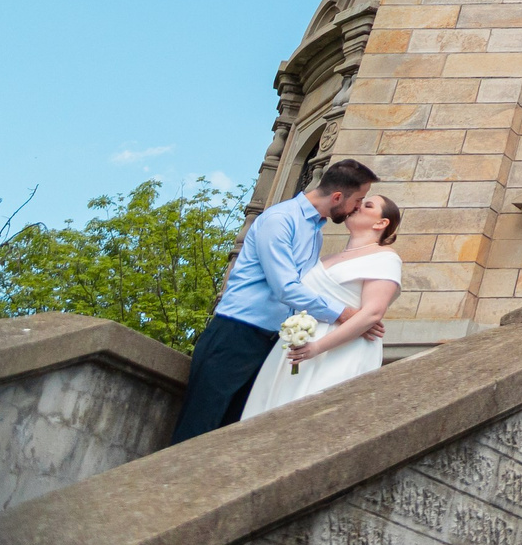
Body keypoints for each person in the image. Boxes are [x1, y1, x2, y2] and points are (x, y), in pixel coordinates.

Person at [169, 160, 383, 442]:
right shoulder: (280, 220)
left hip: (270, 345)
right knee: (198, 429)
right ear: (337, 197)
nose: (358, 207)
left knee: (230, 436)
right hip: (235, 335)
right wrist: (344, 314)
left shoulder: (315, 233)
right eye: (358, 200)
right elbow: (286, 288)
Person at [239, 192, 401, 417]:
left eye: (368, 205)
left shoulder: (384, 258)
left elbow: (372, 313)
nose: (358, 206)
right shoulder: (323, 259)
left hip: (340, 350)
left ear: (381, 222)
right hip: (298, 346)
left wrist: (317, 347)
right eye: (359, 201)